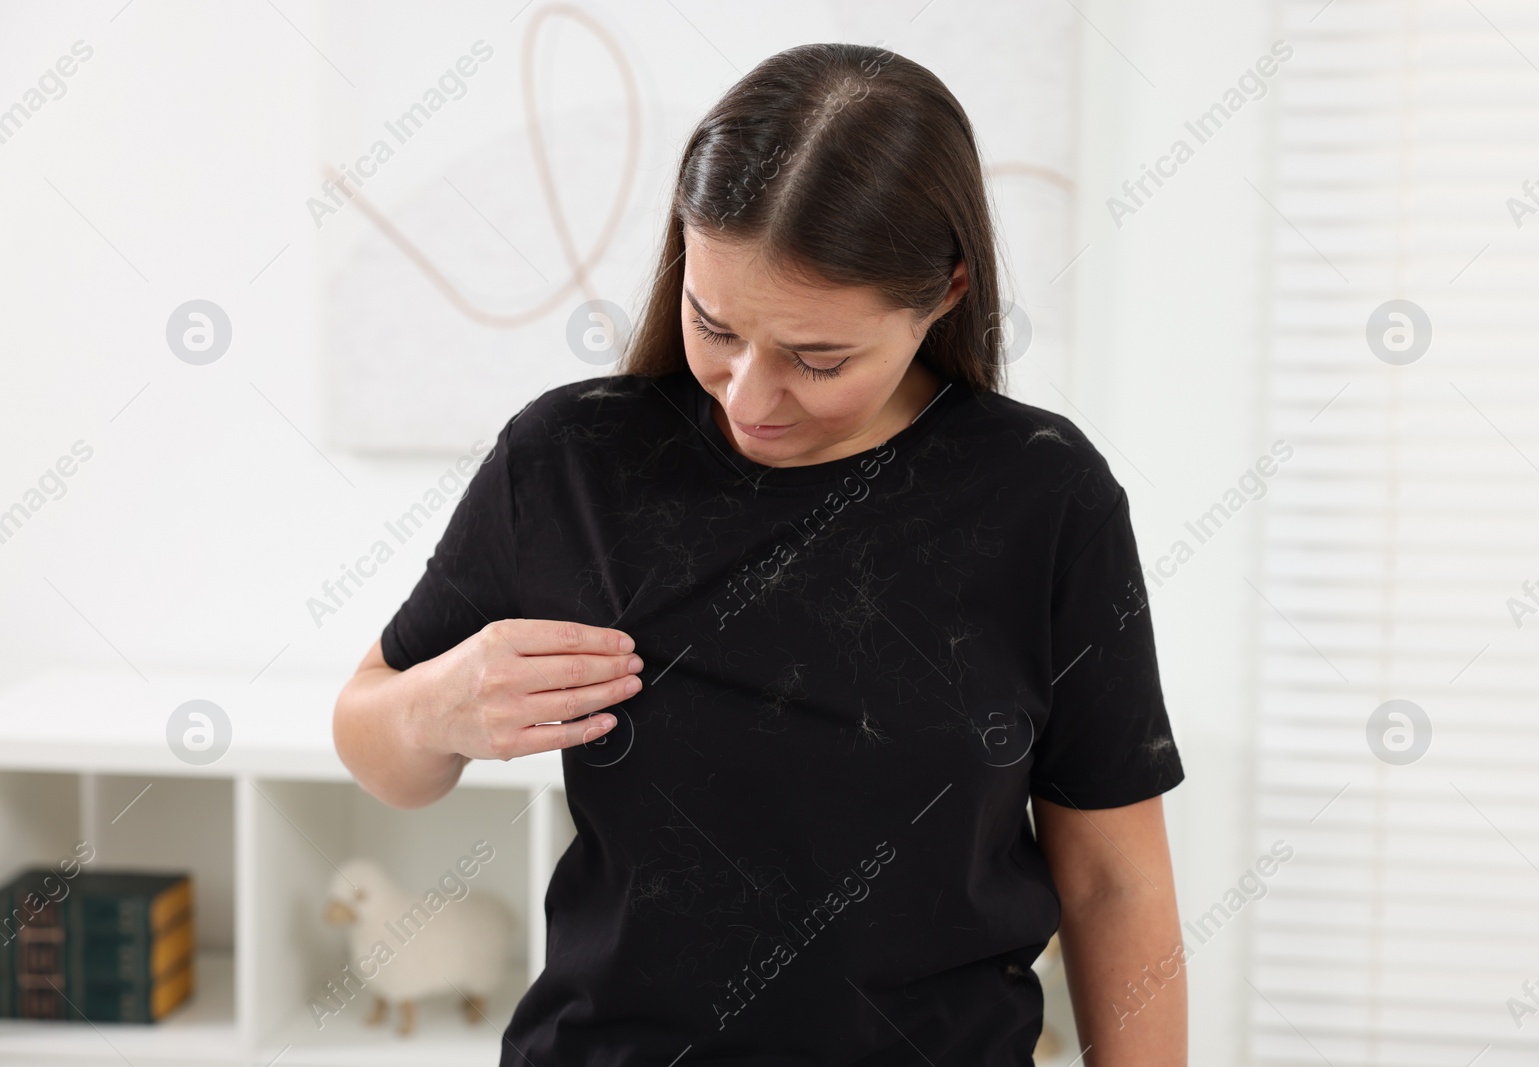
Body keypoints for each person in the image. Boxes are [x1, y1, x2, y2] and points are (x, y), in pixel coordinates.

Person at [333, 41, 1186, 1066]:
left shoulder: (1047, 496)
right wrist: (441, 703)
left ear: (945, 293)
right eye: (714, 324)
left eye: (816, 358)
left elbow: (1113, 879)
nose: (745, 395)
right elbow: (373, 739)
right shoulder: (571, 459)